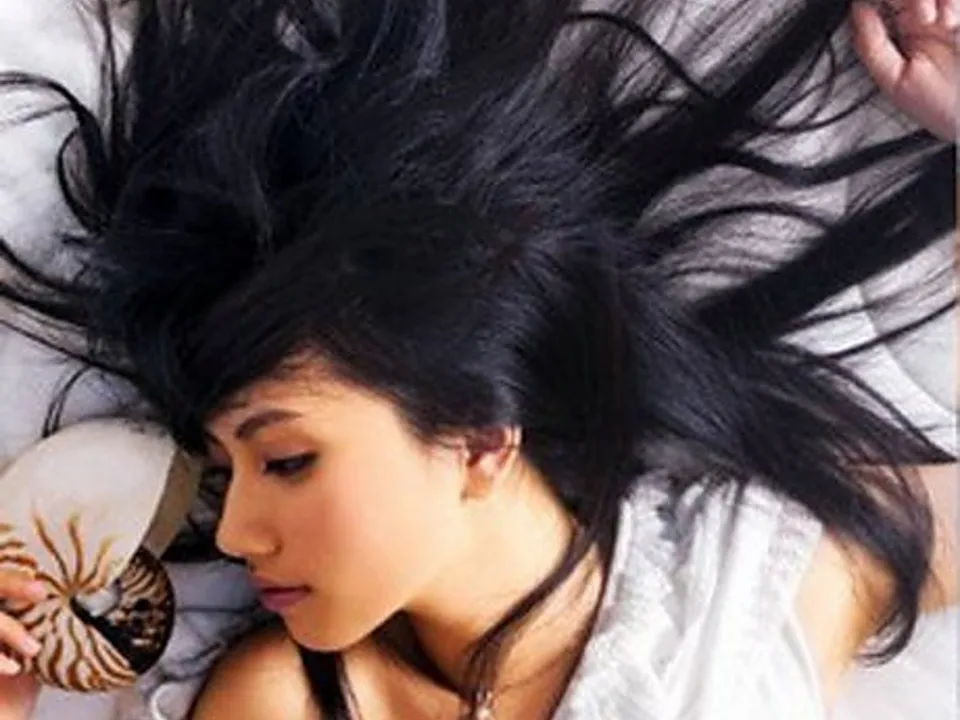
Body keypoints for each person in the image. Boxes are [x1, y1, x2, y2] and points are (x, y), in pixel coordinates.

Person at [0, 0, 955, 718]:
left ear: (481, 438)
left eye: (286, 459)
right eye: (227, 472)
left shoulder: (754, 583)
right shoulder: (290, 701)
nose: (240, 532)